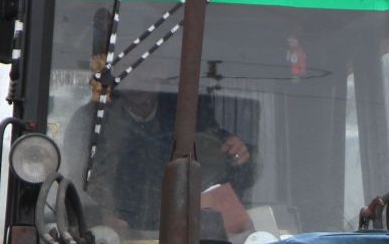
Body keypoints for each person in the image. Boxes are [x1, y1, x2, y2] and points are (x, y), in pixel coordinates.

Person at [68, 87, 257, 234]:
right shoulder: (93, 120)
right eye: (134, 70)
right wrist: (102, 217)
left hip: (184, 236)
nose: (142, 78)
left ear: (163, 70)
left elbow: (225, 161)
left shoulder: (189, 111)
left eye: (151, 67)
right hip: (114, 240)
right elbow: (79, 182)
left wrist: (239, 155)